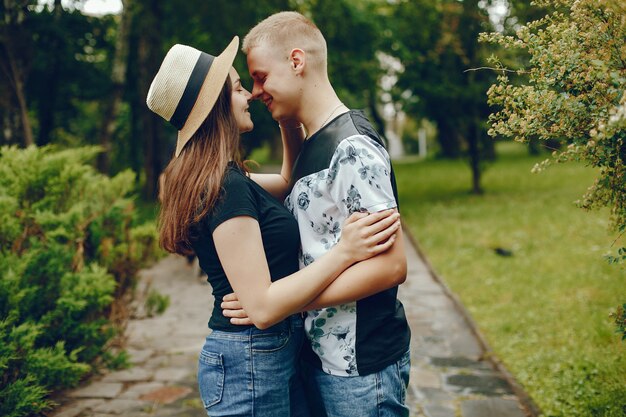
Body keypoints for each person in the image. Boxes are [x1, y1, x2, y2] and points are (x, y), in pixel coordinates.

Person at [146, 37, 401, 417]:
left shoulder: (222, 177)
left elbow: (286, 181)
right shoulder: (224, 187)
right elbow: (263, 308)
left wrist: (288, 117)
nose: (249, 94)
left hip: (266, 354)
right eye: (236, 88)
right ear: (216, 106)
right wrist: (344, 252)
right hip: (250, 358)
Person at [222, 11, 412, 417]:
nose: (255, 91)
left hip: (361, 368)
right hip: (321, 360)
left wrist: (283, 302)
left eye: (260, 77)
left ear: (296, 61)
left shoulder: (352, 147)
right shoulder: (314, 143)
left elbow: (391, 267)